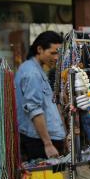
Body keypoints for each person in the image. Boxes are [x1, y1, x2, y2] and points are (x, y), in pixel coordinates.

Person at [15, 31, 66, 161]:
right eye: (53, 53)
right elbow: (35, 110)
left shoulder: (36, 70)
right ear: (39, 49)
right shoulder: (32, 73)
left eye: (58, 53)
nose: (56, 57)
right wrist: (48, 144)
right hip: (39, 143)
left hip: (44, 140)